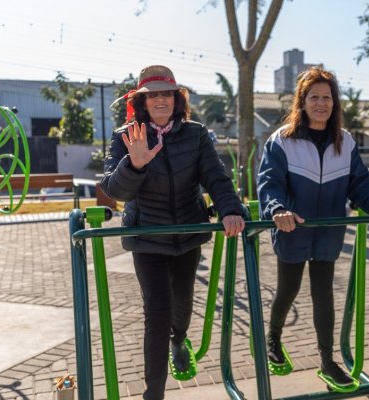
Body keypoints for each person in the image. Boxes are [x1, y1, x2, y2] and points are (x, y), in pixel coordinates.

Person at [100, 65, 245, 400]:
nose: (161, 100)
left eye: (167, 93)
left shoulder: (195, 134)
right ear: (142, 101)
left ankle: (179, 341)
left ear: (177, 100)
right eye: (153, 95)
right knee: (158, 314)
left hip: (187, 234)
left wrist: (231, 209)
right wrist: (133, 165)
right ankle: (154, 394)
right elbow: (114, 190)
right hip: (147, 238)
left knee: (182, 305)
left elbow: (216, 177)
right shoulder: (125, 135)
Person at [258, 66, 369, 390]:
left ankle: (327, 360)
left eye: (327, 98)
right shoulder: (282, 141)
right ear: (302, 101)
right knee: (288, 291)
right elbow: (269, 183)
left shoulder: (345, 142)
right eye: (314, 97)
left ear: (335, 103)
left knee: (323, 295)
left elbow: (360, 184)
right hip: (293, 230)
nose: (321, 103)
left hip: (327, 233)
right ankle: (273, 338)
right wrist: (277, 209)